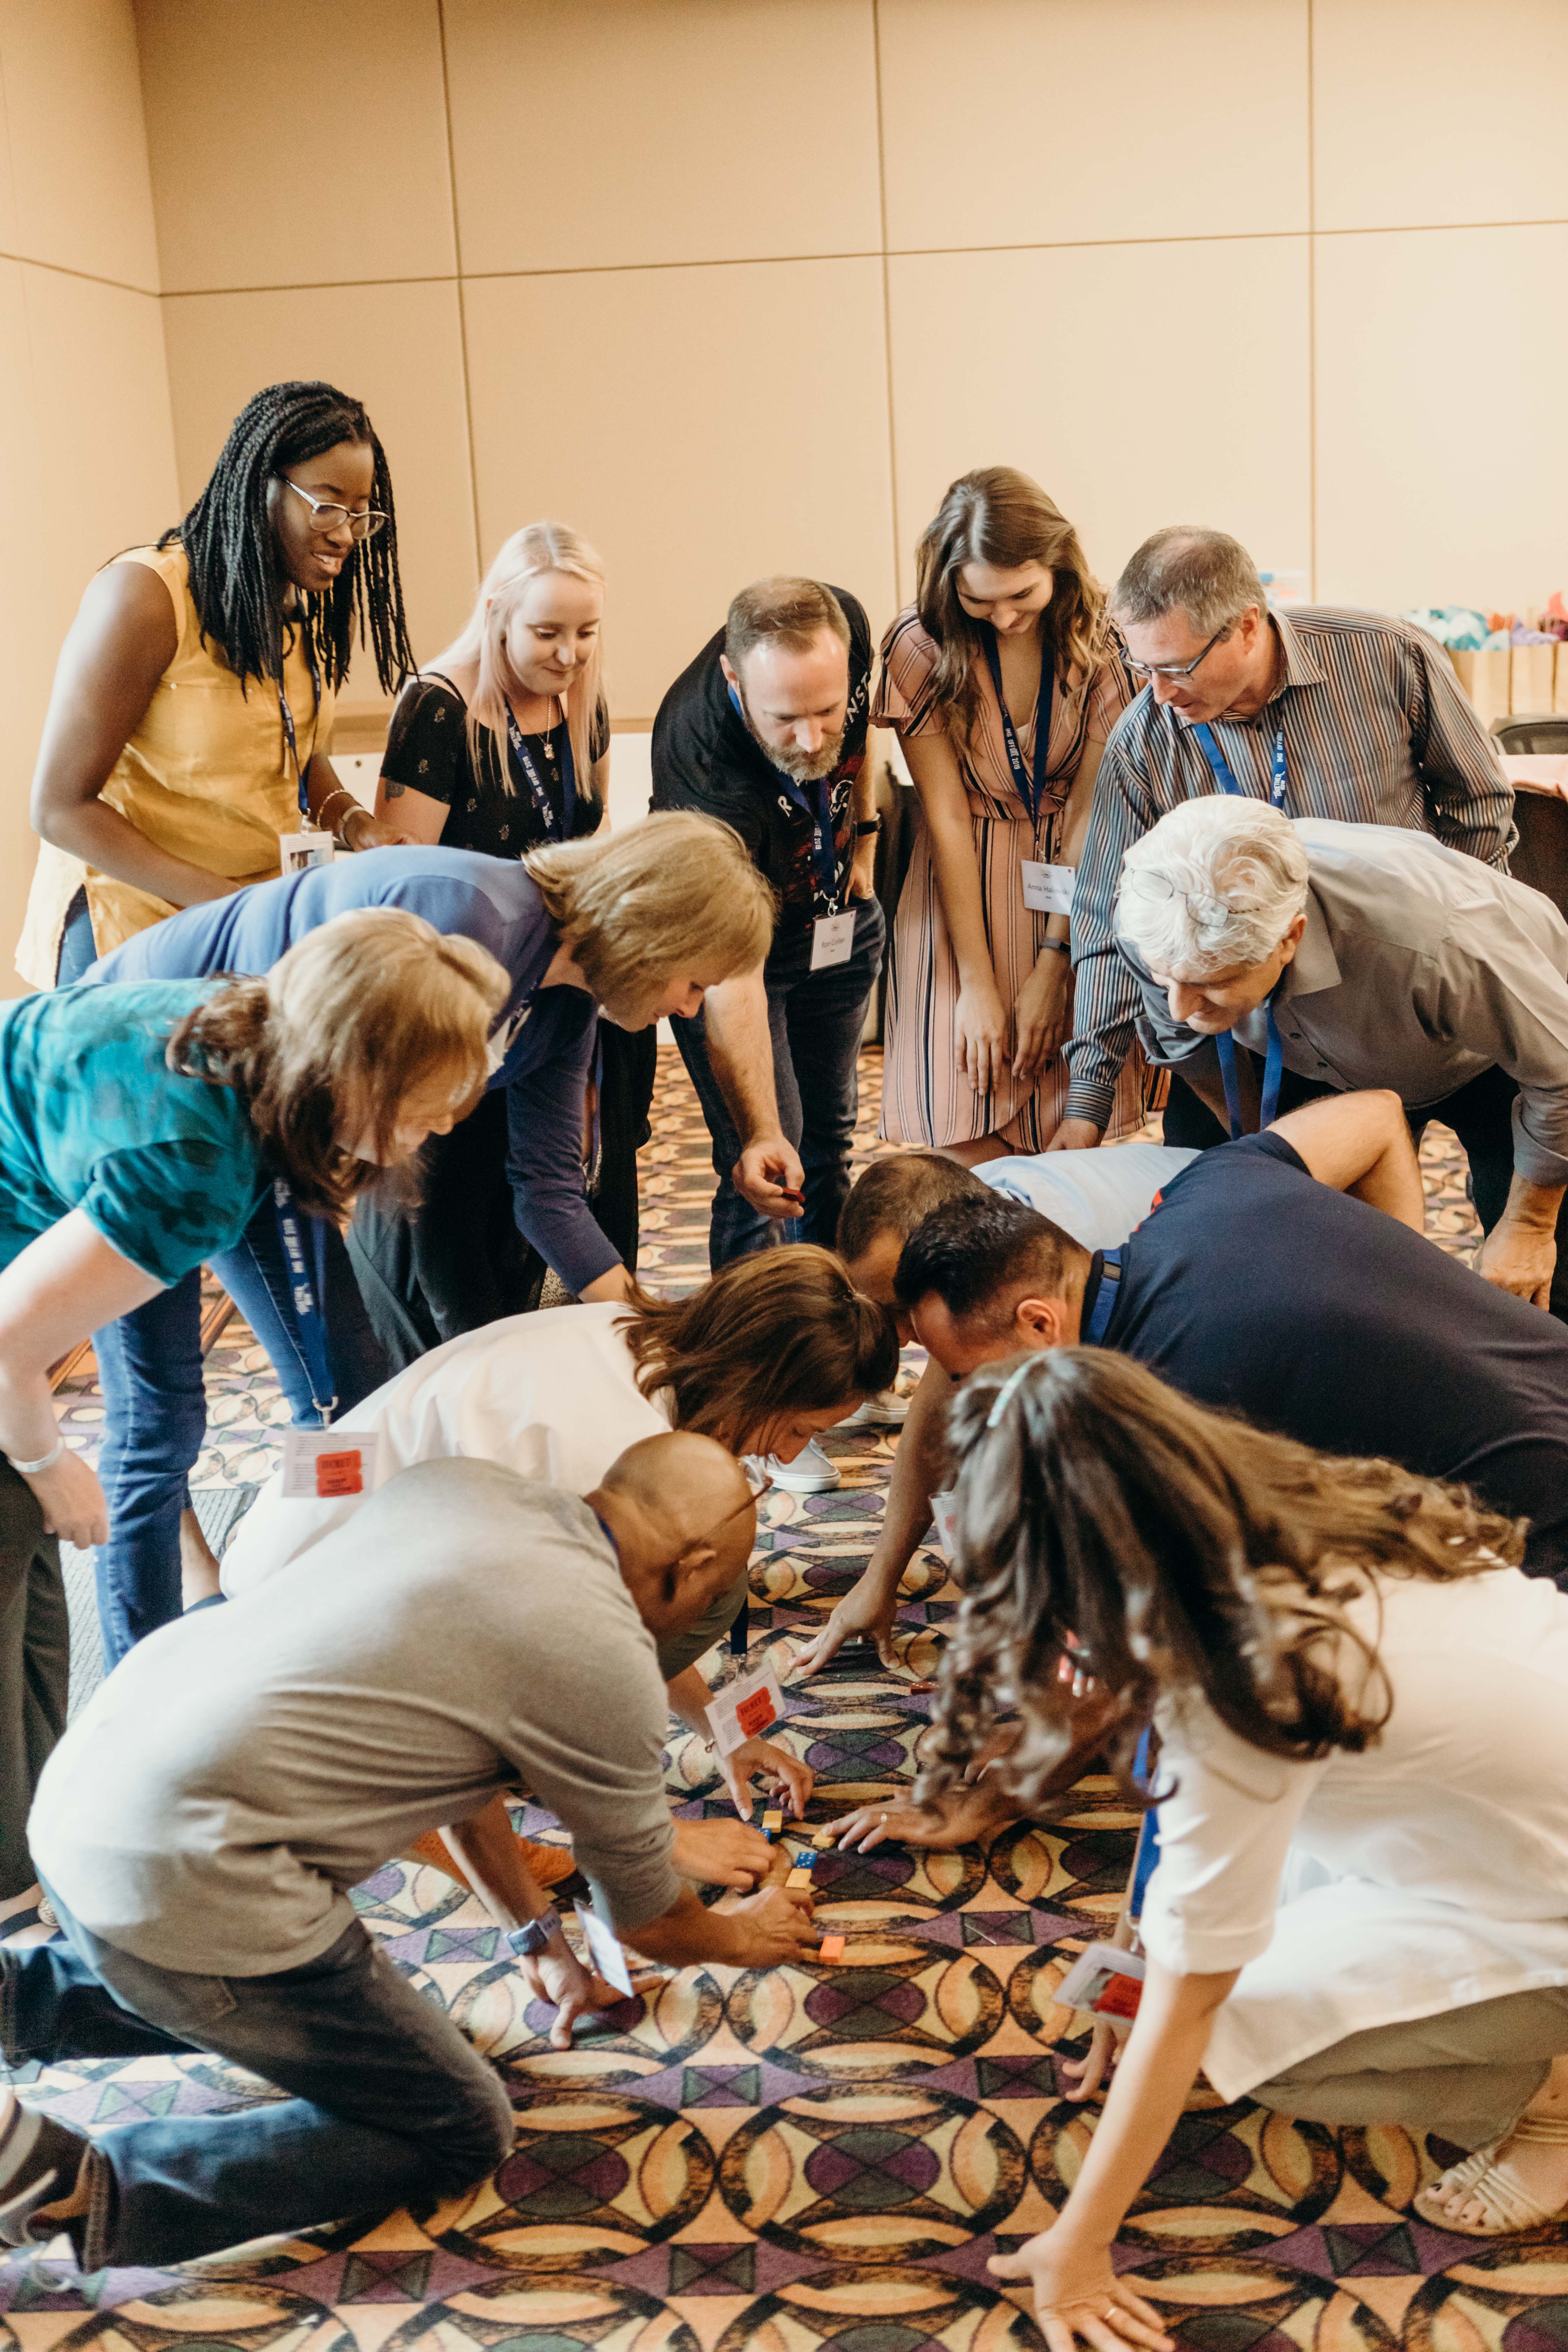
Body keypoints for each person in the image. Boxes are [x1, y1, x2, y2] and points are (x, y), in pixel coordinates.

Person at [0, 1436, 821, 2271]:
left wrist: (535, 1938)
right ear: (691, 1566)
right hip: (183, 1878)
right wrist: (742, 1936)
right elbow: (649, 1922)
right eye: (714, 1597)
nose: (701, 1620)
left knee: (330, 2005)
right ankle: (68, 2186)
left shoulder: (466, 1486)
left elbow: (468, 1784)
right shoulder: (601, 1653)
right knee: (460, 2120)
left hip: (84, 1795)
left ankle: (14, 1999)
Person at [924, 1352, 1568, 2340]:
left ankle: (1551, 2106)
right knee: (1195, 1999)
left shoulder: (1248, 1681)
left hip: (1537, 1896)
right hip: (1475, 1833)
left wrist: (1079, 2248)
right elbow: (1182, 1799)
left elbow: (1194, 1995)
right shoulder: (1274, 1511)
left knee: (1240, 2049)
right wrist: (1136, 1951)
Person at [803, 1095, 1568, 1851]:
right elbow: (1373, 1113)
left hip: (1536, 1542)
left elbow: (1123, 1673)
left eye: (972, 1375)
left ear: (1038, 1320)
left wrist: (980, 1807)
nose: (973, 1395)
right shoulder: (1208, 1184)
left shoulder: (1166, 1408)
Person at [0, 912, 508, 1886]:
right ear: (357, 1072)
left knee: (34, 1625)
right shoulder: (199, 1168)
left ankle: (50, 1855)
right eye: (430, 1102)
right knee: (21, 1541)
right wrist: (47, 1465)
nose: (443, 1126)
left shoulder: (244, 1027)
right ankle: (60, 1895)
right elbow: (10, 1343)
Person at [220, 1248, 898, 1863]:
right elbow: (582, 1663)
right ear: (756, 1377)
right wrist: (659, 1845)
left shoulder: (627, 1327)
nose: (785, 1458)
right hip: (298, 1618)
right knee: (698, 1582)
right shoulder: (606, 1452)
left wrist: (726, 1732)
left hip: (299, 1505)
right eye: (798, 1430)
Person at [93, 817, 773, 1372]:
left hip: (253, 1111)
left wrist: (659, 1338)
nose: (689, 1012)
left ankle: (214, 1535)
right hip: (150, 1069)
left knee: (332, 1383)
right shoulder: (468, 917)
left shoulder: (566, 1007)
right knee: (208, 1392)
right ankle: (174, 1536)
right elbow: (325, 1091)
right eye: (694, 984)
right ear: (652, 939)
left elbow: (548, 1193)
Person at [1056, 524, 1516, 1155]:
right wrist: (1088, 1096)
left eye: (1176, 668)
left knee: (1537, 1190)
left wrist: (1451, 941)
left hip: (1422, 994)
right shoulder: (1146, 739)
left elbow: (1480, 804)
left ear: (1248, 626)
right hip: (1276, 1027)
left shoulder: (1388, 656)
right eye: (1143, 667)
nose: (1159, 694)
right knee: (1223, 1185)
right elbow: (1109, 914)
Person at [16, 380, 418, 992]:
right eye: (328, 504)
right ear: (264, 485)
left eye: (361, 514)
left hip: (247, 922)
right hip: (135, 925)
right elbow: (59, 807)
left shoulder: (299, 602)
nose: (345, 534)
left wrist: (360, 826)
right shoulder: (145, 597)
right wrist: (228, 906)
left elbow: (295, 760)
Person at [1113, 797, 1568, 1315]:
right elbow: (1187, 1043)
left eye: (1209, 985)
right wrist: (1265, 1153)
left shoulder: (1440, 938)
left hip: (1488, 1059)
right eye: (1163, 978)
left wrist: (1530, 1226)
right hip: (1304, 1048)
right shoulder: (1151, 910)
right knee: (1314, 1247)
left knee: (1539, 1278)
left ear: (1289, 939)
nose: (1179, 1006)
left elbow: (1560, 1076)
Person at [371, 522, 655, 1297]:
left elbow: (589, 844)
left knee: (572, 1192)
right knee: (469, 1226)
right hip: (464, 1000)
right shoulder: (438, 709)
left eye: (586, 633)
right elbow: (399, 886)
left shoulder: (582, 703)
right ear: (495, 610)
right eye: (546, 633)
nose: (568, 655)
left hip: (558, 991)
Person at [875, 467, 1147, 1162]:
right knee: (959, 1102)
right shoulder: (919, 643)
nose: (1001, 617)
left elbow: (1092, 808)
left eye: (1020, 594)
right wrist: (976, 986)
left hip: (1078, 879)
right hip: (959, 887)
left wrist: (1055, 964)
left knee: (1072, 1126)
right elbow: (943, 817)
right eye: (978, 601)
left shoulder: (1104, 634)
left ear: (1057, 561)